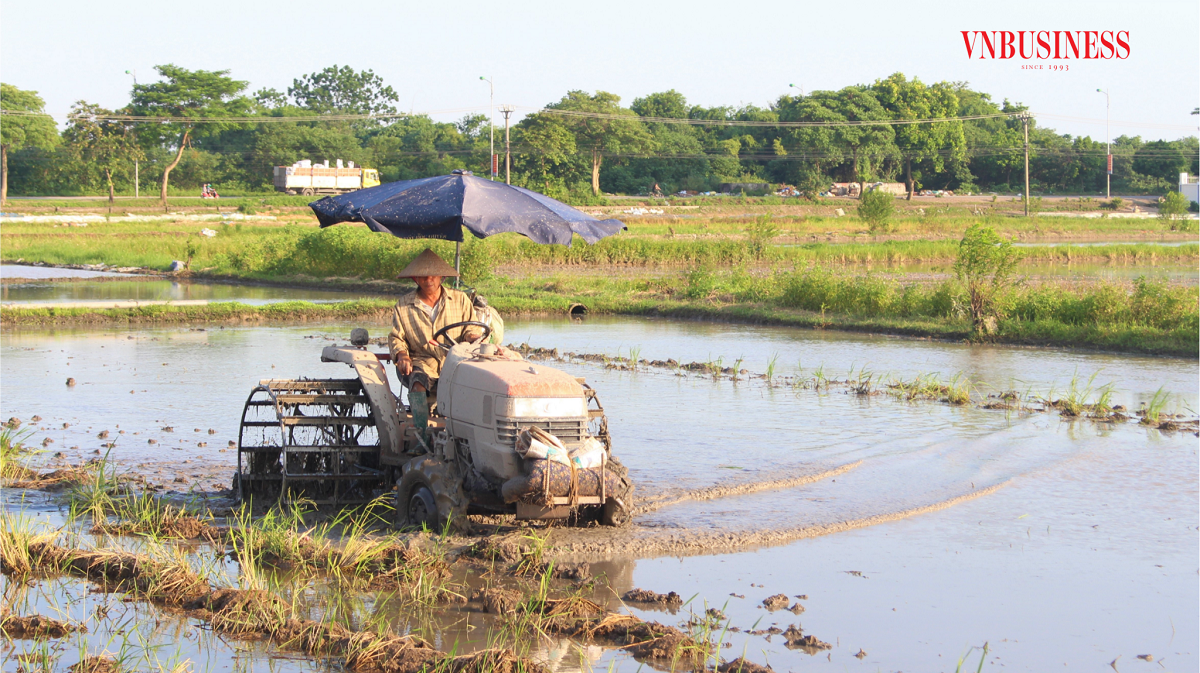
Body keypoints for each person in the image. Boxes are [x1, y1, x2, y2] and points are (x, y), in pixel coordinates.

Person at [388, 249, 484, 431]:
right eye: (423, 277)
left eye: (433, 275)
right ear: (415, 279)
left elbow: (472, 328)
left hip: (455, 360)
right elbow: (396, 337)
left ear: (441, 277)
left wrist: (472, 336)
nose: (429, 280)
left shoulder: (460, 300)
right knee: (417, 382)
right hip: (422, 360)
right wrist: (402, 356)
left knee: (480, 382)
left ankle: (467, 431)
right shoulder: (403, 305)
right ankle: (421, 435)